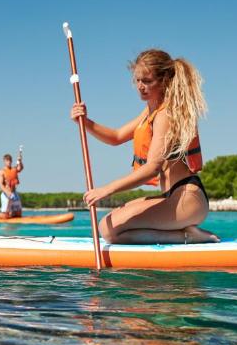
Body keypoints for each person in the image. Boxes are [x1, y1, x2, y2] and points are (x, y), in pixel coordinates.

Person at [70, 48, 219, 244]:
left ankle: (186, 235)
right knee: (114, 219)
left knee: (108, 229)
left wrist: (105, 190)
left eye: (147, 81)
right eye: (138, 80)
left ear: (164, 80)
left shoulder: (166, 115)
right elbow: (116, 137)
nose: (141, 86)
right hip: (175, 197)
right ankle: (185, 231)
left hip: (187, 199)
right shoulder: (151, 111)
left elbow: (152, 169)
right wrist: (85, 121)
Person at [0, 150, 24, 218]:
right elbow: (0, 184)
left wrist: (20, 161)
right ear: (4, 161)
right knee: (5, 216)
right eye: (7, 160)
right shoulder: (1, 172)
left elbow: (20, 168)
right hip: (6, 194)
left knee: (19, 214)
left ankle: (12, 214)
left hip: (14, 193)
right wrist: (6, 192)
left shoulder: (14, 169)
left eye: (10, 160)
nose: (9, 162)